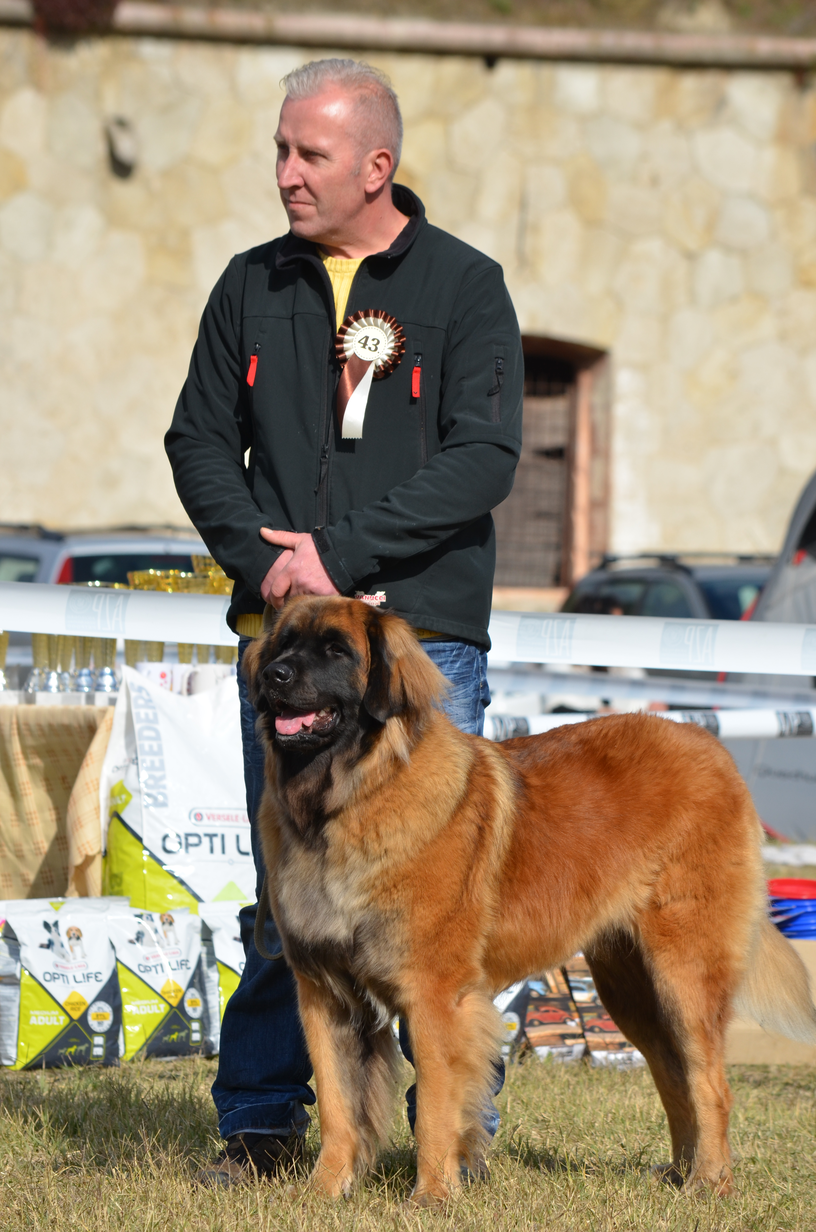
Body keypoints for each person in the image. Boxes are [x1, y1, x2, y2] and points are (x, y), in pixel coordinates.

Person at [165, 57, 523, 1186]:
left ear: (379, 164)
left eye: (307, 154)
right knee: (291, 905)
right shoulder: (248, 284)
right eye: (279, 149)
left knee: (436, 920)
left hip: (423, 652)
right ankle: (265, 1121)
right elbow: (197, 442)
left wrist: (346, 557)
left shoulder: (465, 285)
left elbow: (485, 455)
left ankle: (448, 1134)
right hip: (285, 645)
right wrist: (270, 561)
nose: (284, 174)